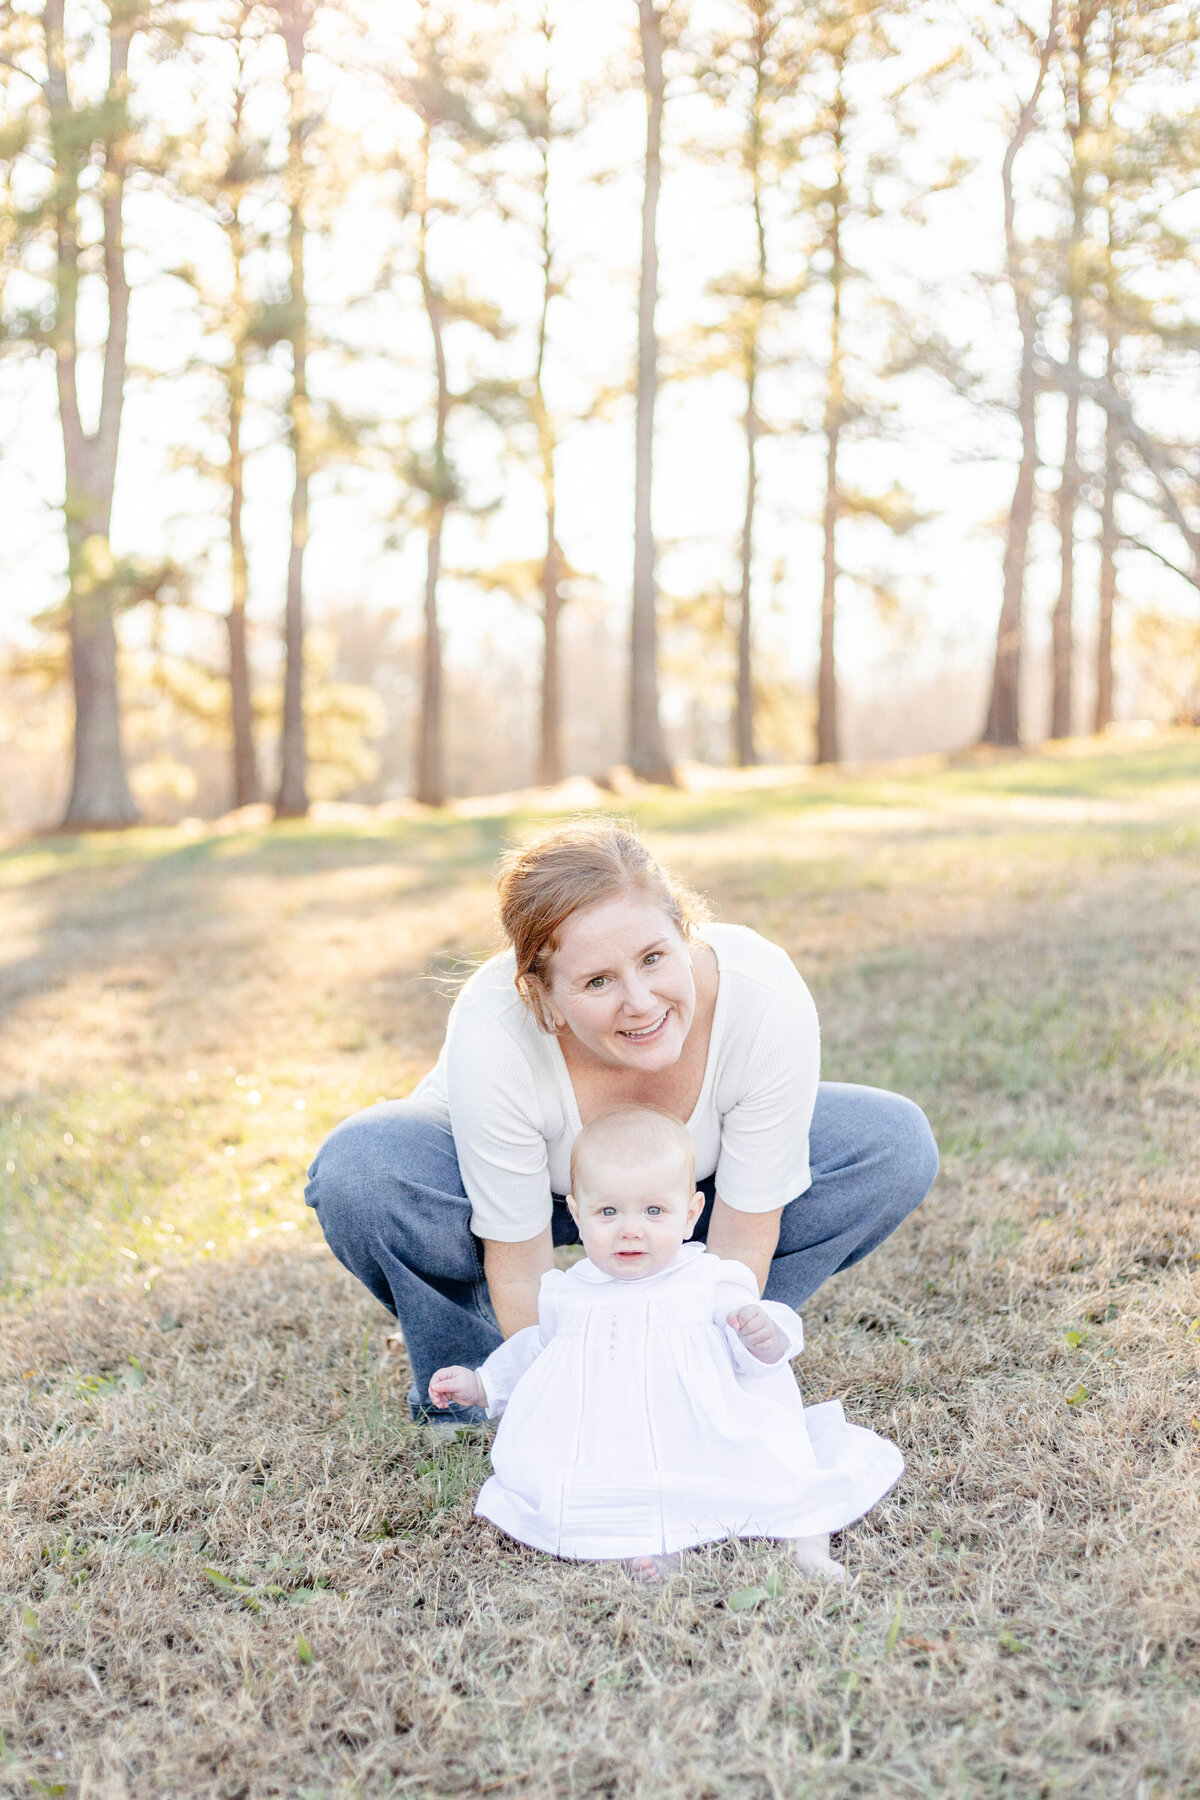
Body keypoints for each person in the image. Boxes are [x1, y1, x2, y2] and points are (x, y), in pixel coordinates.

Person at [305, 816, 938, 1424]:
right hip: (504, 1196)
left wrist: (707, 1350)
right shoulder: (496, 1028)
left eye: (656, 957)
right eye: (599, 980)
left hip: (684, 1196)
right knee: (359, 1172)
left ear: (685, 931)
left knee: (890, 1142)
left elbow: (745, 1233)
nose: (641, 1003)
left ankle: (695, 1350)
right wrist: (566, 1397)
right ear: (544, 997)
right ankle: (479, 1376)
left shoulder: (762, 992)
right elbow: (520, 1259)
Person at [430, 1107, 904, 1580]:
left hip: (705, 1434)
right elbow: (537, 1352)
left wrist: (762, 1335)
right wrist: (482, 1384)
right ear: (576, 1214)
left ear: (690, 1214)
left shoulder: (710, 1278)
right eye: (608, 1212)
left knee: (786, 1480)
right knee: (598, 1491)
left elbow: (763, 1349)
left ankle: (810, 1549)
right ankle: (653, 1549)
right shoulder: (567, 1291)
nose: (631, 1229)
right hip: (611, 1439)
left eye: (654, 1211)